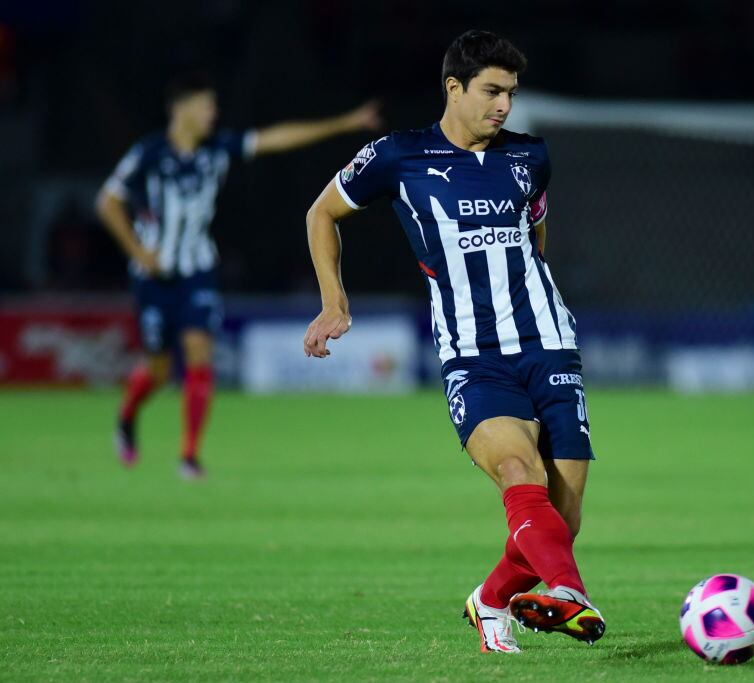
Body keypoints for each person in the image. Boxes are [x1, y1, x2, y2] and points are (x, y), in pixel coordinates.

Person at [302, 30, 604, 652]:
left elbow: (536, 233)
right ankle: (570, 592)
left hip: (549, 345)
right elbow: (321, 213)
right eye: (492, 91)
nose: (503, 106)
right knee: (519, 471)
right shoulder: (396, 156)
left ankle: (491, 601)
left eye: (511, 94)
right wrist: (335, 301)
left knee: (562, 517)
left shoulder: (530, 157)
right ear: (454, 87)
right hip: (473, 356)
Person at [97, 70, 382, 479]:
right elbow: (108, 201)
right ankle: (127, 418)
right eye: (206, 104)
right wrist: (139, 251)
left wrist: (345, 124)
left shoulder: (218, 149)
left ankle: (189, 456)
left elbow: (276, 138)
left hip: (197, 270)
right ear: (183, 108)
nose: (213, 112)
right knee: (158, 370)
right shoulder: (149, 153)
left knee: (199, 355)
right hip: (153, 277)